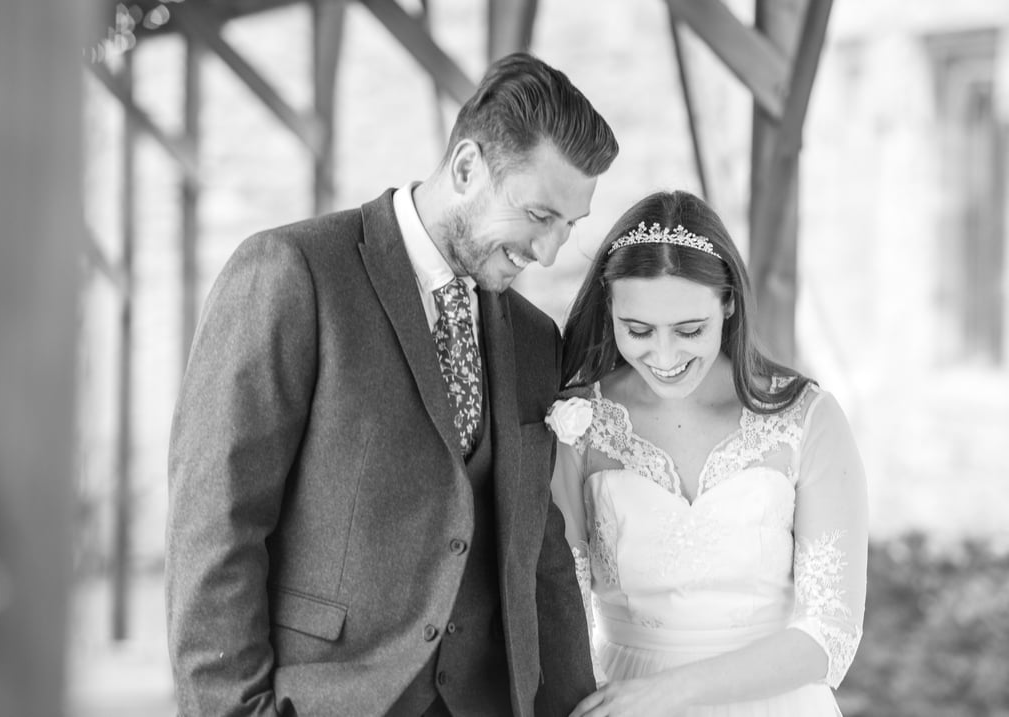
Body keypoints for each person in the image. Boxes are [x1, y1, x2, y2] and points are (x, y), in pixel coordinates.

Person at [166, 52, 618, 717]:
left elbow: (537, 549)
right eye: (539, 215)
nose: (547, 252)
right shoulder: (293, 272)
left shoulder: (532, 336)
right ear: (467, 167)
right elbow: (217, 527)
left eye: (569, 229)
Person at [545, 190, 868, 716]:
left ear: (729, 303)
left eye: (690, 330)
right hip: (615, 700)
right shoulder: (580, 424)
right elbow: (561, 606)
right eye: (638, 330)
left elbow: (829, 632)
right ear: (611, 310)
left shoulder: (807, 420)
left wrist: (669, 693)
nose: (665, 355)